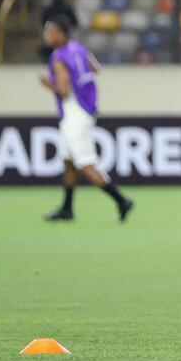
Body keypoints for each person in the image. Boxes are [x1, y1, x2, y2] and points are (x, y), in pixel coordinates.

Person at [40, 17, 133, 223]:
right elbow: (96, 68)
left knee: (85, 164)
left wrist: (47, 83)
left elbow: (63, 91)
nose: (47, 36)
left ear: (61, 34)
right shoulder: (78, 48)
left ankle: (121, 200)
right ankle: (67, 208)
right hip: (87, 109)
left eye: (51, 31)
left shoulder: (58, 58)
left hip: (74, 113)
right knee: (69, 161)